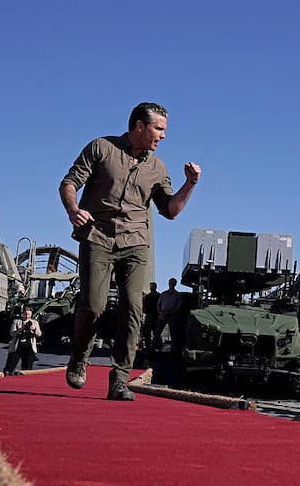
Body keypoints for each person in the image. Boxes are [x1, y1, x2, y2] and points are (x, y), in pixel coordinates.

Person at [59, 102, 201, 401]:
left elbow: (171, 210)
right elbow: (70, 182)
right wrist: (73, 209)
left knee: (134, 308)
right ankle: (79, 358)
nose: (163, 135)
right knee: (93, 305)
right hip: (97, 236)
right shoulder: (102, 148)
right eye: (158, 128)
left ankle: (120, 379)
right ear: (139, 126)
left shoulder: (158, 167)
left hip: (135, 242)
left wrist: (190, 184)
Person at [3, 307, 42, 376]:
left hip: (29, 347)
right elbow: (12, 333)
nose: (27, 316)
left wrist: (34, 329)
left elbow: (39, 334)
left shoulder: (35, 322)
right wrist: (21, 329)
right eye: (25, 314)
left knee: (27, 369)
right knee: (9, 368)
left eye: (29, 314)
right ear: (22, 314)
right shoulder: (16, 321)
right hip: (17, 346)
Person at [153, 278, 185, 353]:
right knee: (157, 332)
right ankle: (155, 347)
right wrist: (160, 311)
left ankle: (174, 350)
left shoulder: (178, 295)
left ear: (175, 284)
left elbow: (178, 306)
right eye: (170, 283)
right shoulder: (163, 294)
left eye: (173, 283)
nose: (171, 284)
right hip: (162, 316)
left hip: (172, 316)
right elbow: (158, 304)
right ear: (168, 283)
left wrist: (171, 312)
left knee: (173, 333)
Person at [141, 282, 160, 351]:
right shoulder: (148, 296)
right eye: (151, 287)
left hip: (155, 316)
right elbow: (144, 306)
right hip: (149, 316)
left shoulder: (158, 296)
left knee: (156, 332)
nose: (151, 288)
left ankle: (157, 346)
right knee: (147, 332)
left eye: (152, 286)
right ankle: (148, 347)